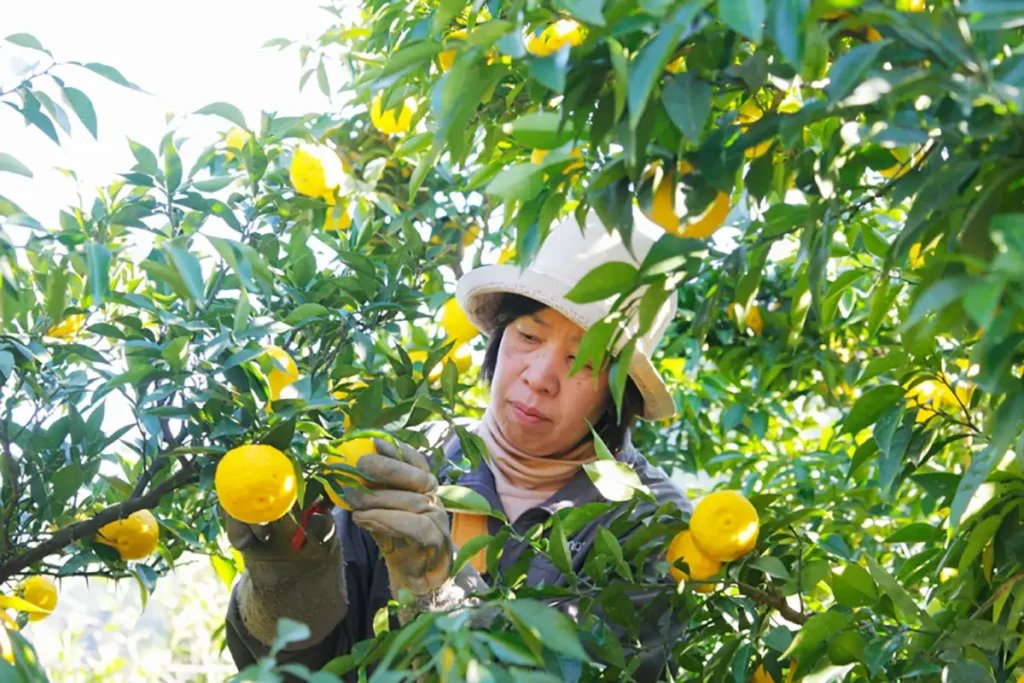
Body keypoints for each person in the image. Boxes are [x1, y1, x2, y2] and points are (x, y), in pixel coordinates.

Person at [223, 210, 691, 680]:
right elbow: (299, 670)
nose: (541, 376)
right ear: (500, 335)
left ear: (621, 391)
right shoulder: (405, 460)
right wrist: (288, 584)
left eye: (582, 360)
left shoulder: (653, 526)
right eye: (529, 335)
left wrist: (440, 595)